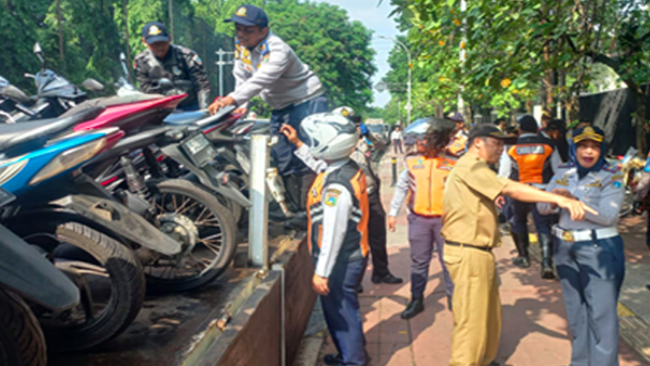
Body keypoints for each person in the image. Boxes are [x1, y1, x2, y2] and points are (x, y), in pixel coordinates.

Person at [441, 124, 594, 366]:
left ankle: (486, 359)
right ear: (477, 142)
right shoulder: (470, 166)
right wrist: (556, 198)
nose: (501, 149)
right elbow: (511, 187)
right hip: (468, 252)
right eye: (497, 143)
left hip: (479, 252)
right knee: (471, 320)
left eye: (503, 144)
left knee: (489, 315)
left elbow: (500, 187)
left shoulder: (479, 169)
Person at [209, 4, 328, 210]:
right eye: (238, 28)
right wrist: (241, 105)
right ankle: (295, 208)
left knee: (305, 155)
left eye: (248, 30)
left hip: (306, 103)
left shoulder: (277, 49)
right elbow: (242, 76)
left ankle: (312, 208)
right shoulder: (241, 45)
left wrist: (232, 99)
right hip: (281, 106)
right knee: (283, 157)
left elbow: (260, 80)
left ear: (263, 31)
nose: (241, 34)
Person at [281, 107, 402, 287]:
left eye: (355, 121)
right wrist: (298, 142)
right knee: (351, 237)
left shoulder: (362, 142)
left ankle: (381, 271)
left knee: (376, 235)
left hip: (368, 194)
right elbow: (318, 163)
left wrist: (367, 134)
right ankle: (354, 280)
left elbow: (382, 145)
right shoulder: (333, 149)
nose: (353, 125)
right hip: (349, 197)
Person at [538, 126, 625, 366]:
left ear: (601, 149)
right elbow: (542, 207)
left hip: (599, 249)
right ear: (574, 149)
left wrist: (574, 201)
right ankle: (580, 362)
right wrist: (555, 199)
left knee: (601, 316)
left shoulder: (612, 174)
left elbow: (608, 215)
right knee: (576, 314)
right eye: (583, 146)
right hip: (565, 249)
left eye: (594, 147)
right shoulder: (563, 172)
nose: (588, 152)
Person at [301, 112, 369, 366]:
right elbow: (320, 166)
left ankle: (353, 361)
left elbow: (333, 232)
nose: (311, 144)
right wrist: (298, 145)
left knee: (342, 313)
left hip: (341, 259)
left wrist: (322, 272)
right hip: (352, 254)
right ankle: (352, 354)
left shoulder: (337, 186)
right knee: (345, 310)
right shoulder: (345, 168)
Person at [387, 117, 457, 319]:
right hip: (419, 220)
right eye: (419, 139)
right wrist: (393, 213)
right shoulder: (411, 161)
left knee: (449, 262)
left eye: (425, 139)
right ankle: (416, 299)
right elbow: (401, 187)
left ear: (438, 140)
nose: (420, 143)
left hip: (447, 221)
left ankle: (454, 299)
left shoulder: (453, 162)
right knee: (419, 262)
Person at [498, 115, 561, 278]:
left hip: (518, 190)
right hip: (542, 190)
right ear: (536, 129)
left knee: (518, 221)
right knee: (543, 225)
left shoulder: (511, 147)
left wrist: (500, 191)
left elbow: (504, 172)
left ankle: (523, 257)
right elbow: (558, 170)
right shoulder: (548, 145)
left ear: (519, 130)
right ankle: (547, 262)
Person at [134, 22, 211, 111]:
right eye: (154, 44)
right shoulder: (142, 61)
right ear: (144, 42)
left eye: (162, 42)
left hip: (190, 106)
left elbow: (202, 85)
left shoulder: (185, 56)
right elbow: (147, 89)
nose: (159, 47)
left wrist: (204, 111)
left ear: (169, 39)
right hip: (161, 108)